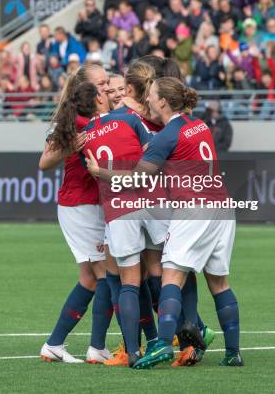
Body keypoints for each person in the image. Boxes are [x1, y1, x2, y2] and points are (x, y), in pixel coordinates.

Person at [88, 78, 243, 369]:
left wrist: (100, 172)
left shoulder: (167, 136)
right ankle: (233, 353)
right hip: (222, 208)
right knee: (219, 283)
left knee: (170, 276)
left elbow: (137, 178)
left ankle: (161, 344)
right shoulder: (199, 124)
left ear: (162, 102)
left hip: (194, 210)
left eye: (152, 96)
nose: (147, 100)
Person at [77, 82, 160, 368]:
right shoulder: (129, 119)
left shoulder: (82, 137)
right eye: (104, 89)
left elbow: (90, 172)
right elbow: (153, 155)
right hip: (149, 200)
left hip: (118, 209)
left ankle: (133, 353)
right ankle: (176, 339)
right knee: (163, 271)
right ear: (100, 99)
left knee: (129, 283)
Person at [38, 63, 113, 364]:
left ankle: (55, 344)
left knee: (91, 278)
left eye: (108, 82)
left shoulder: (103, 116)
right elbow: (44, 161)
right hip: (81, 204)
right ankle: (97, 346)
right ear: (86, 88)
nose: (107, 87)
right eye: (102, 83)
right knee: (105, 275)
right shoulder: (73, 120)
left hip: (94, 203)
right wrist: (70, 146)